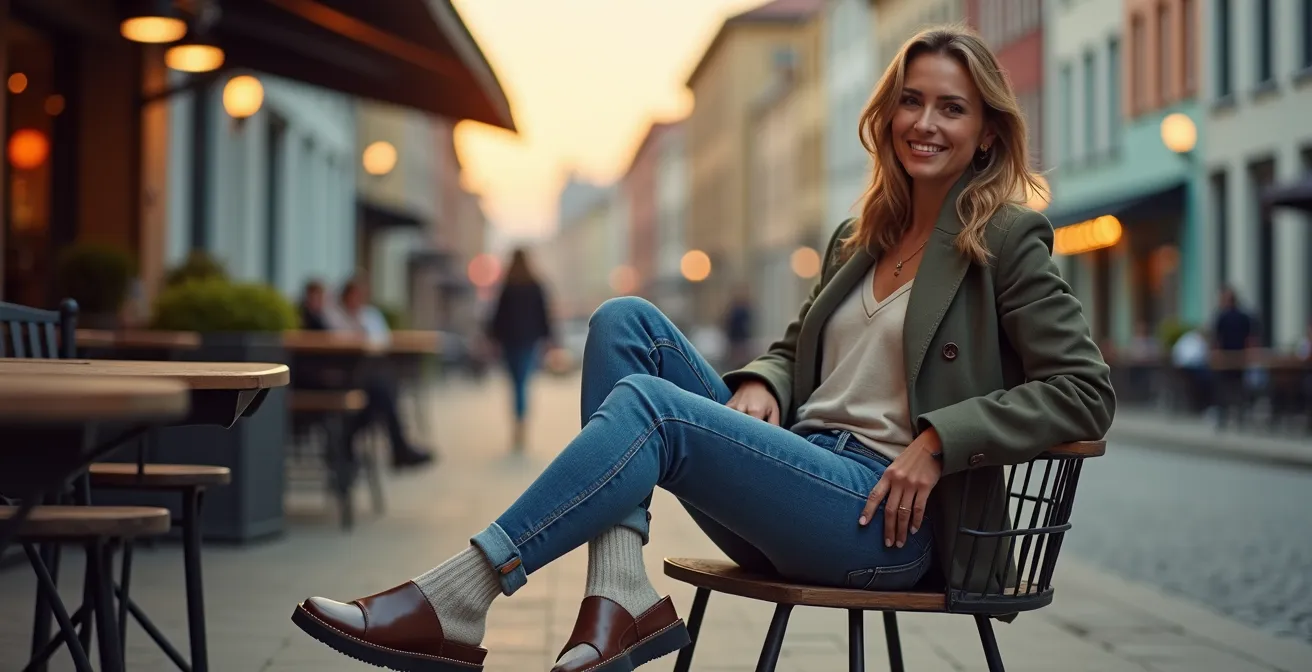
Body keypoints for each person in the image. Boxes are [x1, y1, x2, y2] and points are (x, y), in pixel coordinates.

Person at [291, 26, 1115, 672]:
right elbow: (799, 352)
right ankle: (619, 594)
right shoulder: (859, 237)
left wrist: (941, 440)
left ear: (985, 134)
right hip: (795, 474)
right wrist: (763, 380)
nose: (924, 123)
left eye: (951, 108)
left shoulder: (1004, 238)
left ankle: (463, 594)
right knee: (623, 321)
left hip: (878, 523)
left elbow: (1084, 390)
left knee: (652, 409)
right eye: (911, 101)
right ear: (886, 114)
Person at [330, 277, 434, 469]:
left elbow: (382, 342)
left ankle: (348, 440)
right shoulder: (334, 316)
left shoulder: (370, 315)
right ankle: (395, 447)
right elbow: (337, 344)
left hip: (368, 371)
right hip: (343, 375)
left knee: (381, 392)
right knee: (382, 393)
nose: (358, 299)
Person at [484, 248, 555, 451]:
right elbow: (544, 314)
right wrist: (548, 338)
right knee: (523, 383)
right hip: (529, 341)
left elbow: (497, 316)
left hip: (509, 341)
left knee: (515, 384)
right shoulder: (536, 285)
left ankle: (517, 424)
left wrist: (493, 339)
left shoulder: (507, 286)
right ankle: (521, 426)